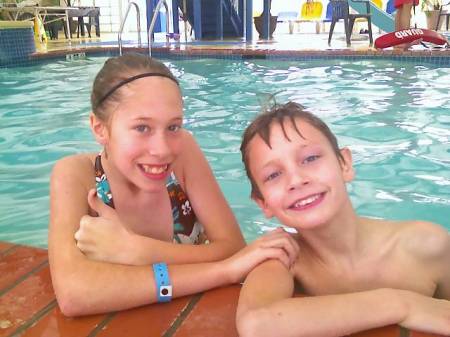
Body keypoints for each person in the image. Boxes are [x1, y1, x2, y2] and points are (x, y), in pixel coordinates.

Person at [48, 54, 299, 317]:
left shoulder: (184, 153)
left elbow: (232, 247)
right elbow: (74, 294)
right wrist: (223, 271)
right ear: (100, 128)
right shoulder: (76, 175)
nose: (163, 149)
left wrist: (139, 251)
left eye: (173, 126)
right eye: (142, 128)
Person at [236, 101, 450, 336]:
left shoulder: (427, 246)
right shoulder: (284, 257)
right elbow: (256, 324)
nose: (296, 180)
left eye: (310, 158)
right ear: (263, 203)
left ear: (344, 164)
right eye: (274, 175)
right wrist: (403, 304)